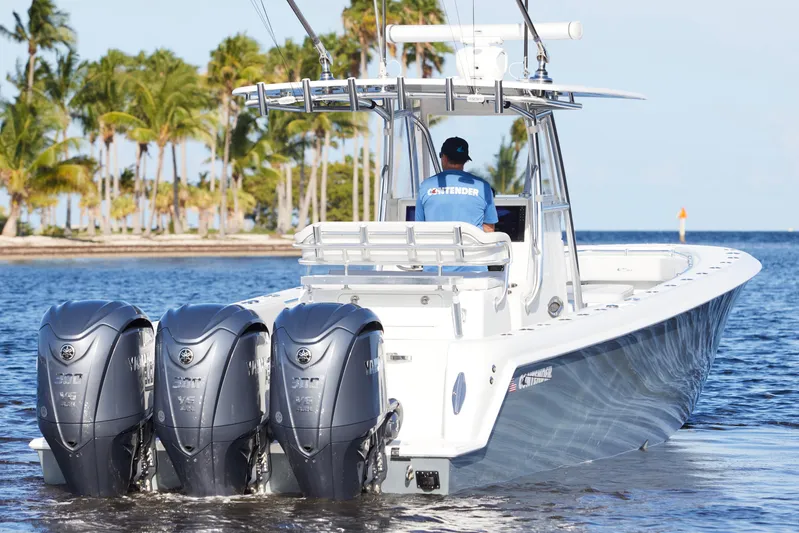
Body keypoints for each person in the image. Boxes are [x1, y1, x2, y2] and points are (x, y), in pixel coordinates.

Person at [415, 137, 498, 232]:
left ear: (444, 158)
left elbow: (418, 228)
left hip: (436, 246)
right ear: (465, 160)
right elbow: (489, 229)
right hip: (471, 246)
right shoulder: (483, 187)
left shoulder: (425, 186)